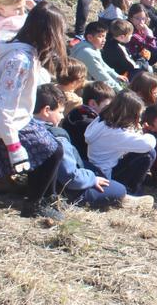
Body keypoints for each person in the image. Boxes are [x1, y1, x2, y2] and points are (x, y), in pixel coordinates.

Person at [0, 3, 68, 220]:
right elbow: (3, 106)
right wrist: (14, 146)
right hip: (2, 124)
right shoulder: (20, 61)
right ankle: (34, 204)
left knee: (53, 143)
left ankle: (47, 195)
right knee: (53, 152)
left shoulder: (25, 52)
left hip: (13, 118)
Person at [32, 83, 129, 211]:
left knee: (97, 172)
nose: (62, 116)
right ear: (46, 110)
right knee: (120, 189)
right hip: (67, 189)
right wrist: (92, 179)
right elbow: (70, 176)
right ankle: (126, 199)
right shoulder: (57, 137)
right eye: (60, 112)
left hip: (40, 183)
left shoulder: (28, 128)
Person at [83, 89, 157, 198]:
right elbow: (148, 144)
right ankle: (131, 190)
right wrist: (149, 133)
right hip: (107, 174)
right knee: (149, 154)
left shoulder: (102, 119)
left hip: (97, 167)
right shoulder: (115, 133)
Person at [64, 81, 114, 161]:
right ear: (93, 104)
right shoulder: (88, 123)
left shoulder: (79, 110)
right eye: (107, 106)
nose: (110, 110)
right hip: (74, 159)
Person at [69, 20, 125, 92]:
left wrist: (115, 75)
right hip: (78, 89)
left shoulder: (91, 46)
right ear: (89, 37)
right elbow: (101, 76)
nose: (104, 40)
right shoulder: (88, 53)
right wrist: (121, 91)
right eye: (100, 36)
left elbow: (103, 65)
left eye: (104, 37)